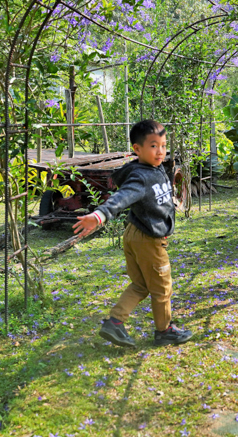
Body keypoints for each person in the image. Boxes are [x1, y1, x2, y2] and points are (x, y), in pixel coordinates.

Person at [72, 119, 193, 348]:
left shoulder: (155, 169)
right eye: (153, 146)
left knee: (140, 285)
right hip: (148, 239)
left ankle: (115, 322)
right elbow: (123, 197)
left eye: (164, 145)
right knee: (162, 287)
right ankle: (165, 331)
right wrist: (100, 215)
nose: (160, 151)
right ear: (137, 149)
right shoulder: (140, 177)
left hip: (136, 234)